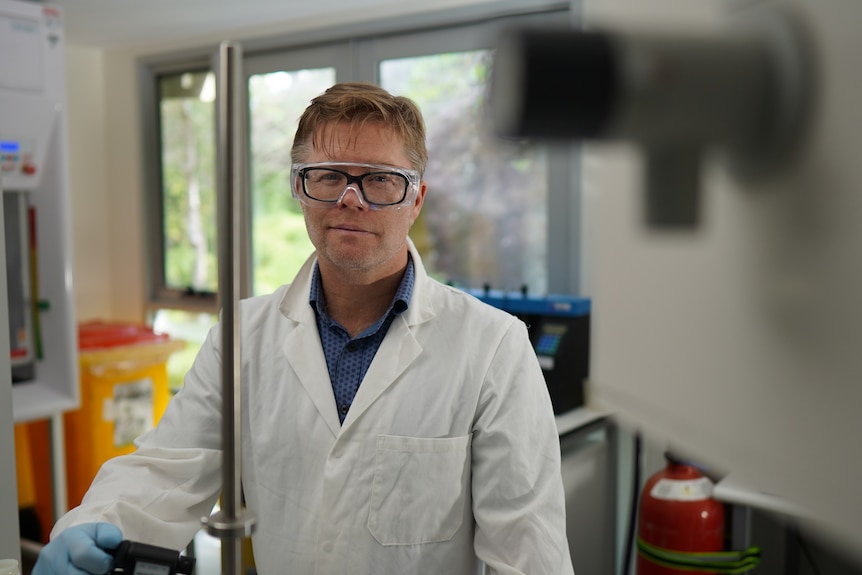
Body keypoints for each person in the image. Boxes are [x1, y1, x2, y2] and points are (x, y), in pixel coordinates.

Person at [34, 82, 575, 574]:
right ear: (300, 187)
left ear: (416, 199)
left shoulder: (493, 347)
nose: (349, 197)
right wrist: (90, 526)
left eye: (381, 179)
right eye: (329, 175)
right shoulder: (244, 335)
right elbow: (168, 470)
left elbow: (528, 553)